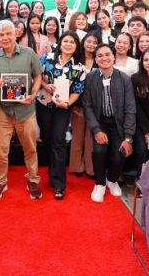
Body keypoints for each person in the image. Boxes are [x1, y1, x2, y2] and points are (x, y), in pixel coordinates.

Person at [0, 20, 43, 200]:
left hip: (25, 110)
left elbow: (38, 76)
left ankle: (33, 179)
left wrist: (33, 95)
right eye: (1, 35)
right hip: (3, 111)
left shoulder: (29, 53)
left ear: (16, 34)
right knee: (0, 149)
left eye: (8, 34)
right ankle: (0, 181)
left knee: (30, 148)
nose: (5, 37)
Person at [82, 44, 136, 203]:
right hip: (100, 122)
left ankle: (111, 180)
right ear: (95, 59)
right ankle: (99, 183)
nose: (104, 58)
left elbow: (130, 108)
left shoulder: (124, 79)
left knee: (119, 156)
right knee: (99, 152)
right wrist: (96, 130)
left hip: (119, 124)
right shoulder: (91, 77)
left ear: (113, 57)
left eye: (107, 55)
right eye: (100, 55)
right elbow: (87, 106)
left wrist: (128, 137)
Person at [37, 31, 87, 200]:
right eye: (66, 41)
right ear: (60, 43)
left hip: (63, 108)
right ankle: (52, 170)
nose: (68, 44)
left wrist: (67, 104)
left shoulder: (79, 67)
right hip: (43, 104)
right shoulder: (46, 58)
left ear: (76, 47)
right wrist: (45, 85)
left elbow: (77, 90)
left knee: (58, 141)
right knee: (47, 139)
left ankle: (59, 183)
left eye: (72, 42)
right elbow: (36, 76)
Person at [69, 33, 100, 179]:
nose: (91, 44)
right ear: (83, 42)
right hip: (78, 104)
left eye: (95, 42)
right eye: (89, 41)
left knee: (91, 138)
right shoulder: (76, 60)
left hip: (95, 105)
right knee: (77, 137)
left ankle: (91, 168)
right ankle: (77, 166)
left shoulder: (100, 59)